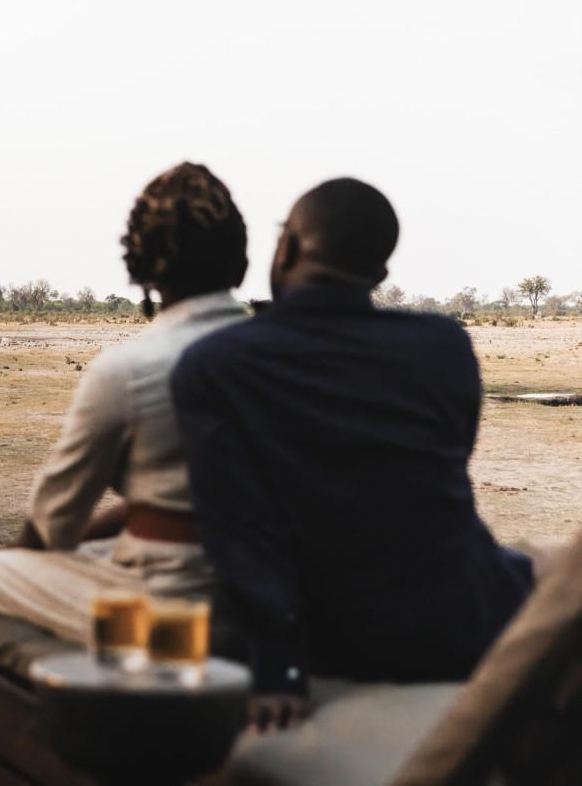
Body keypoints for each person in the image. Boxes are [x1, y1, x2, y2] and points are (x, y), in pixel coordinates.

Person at [171, 178, 538, 733]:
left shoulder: (215, 365)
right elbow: (445, 470)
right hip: (462, 620)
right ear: (380, 275)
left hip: (333, 638)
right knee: (545, 561)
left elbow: (239, 526)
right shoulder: (444, 345)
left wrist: (281, 664)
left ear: (287, 248)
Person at [0, 162, 249, 684]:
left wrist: (27, 552)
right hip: (270, 607)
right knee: (100, 551)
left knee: (1, 574)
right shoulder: (284, 356)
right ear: (240, 261)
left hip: (182, 621)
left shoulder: (130, 368)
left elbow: (49, 528)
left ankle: (31, 734)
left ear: (145, 268)